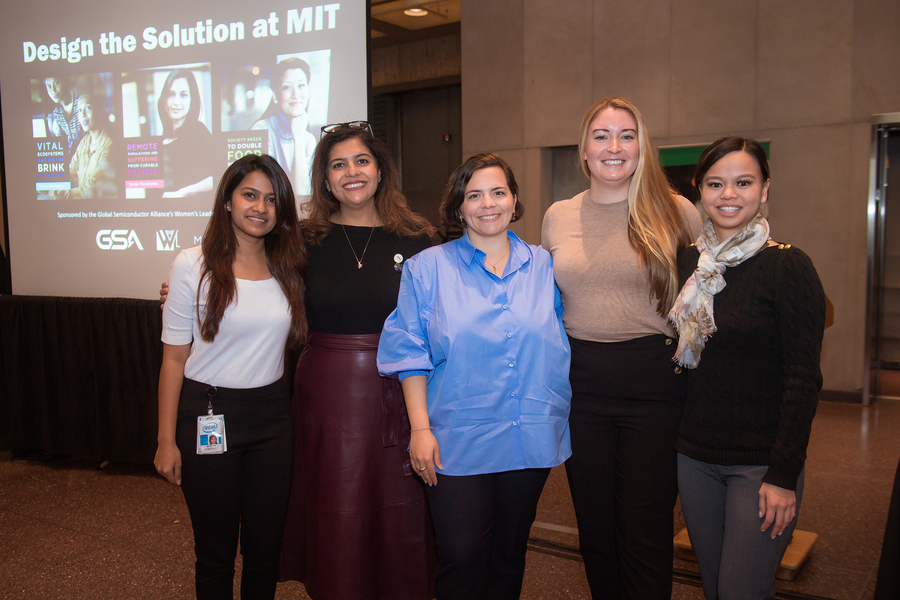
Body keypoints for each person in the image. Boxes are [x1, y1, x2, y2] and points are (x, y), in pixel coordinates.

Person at [378, 153, 572, 600]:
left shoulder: (544, 266)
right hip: (455, 440)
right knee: (462, 558)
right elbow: (408, 350)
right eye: (475, 194)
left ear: (515, 199)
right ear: (459, 206)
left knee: (509, 556)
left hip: (530, 435)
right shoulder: (427, 269)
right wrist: (419, 429)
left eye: (498, 192)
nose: (488, 203)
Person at [541, 96, 702, 600]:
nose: (614, 147)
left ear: (641, 147)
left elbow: (708, 294)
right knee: (595, 527)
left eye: (626, 136)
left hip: (655, 386)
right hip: (581, 386)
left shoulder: (677, 212)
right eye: (602, 136)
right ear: (584, 151)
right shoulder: (557, 216)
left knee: (644, 529)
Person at [278, 122, 438, 600]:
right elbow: (248, 278)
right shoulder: (302, 240)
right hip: (327, 394)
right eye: (338, 164)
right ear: (325, 180)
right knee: (336, 506)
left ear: (381, 170)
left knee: (401, 507)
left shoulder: (417, 239)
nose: (352, 172)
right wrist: (188, 291)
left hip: (401, 389)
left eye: (361, 161)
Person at [670, 136, 826, 599]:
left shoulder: (787, 267)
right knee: (717, 588)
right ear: (700, 190)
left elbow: (803, 379)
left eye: (743, 182)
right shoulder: (690, 266)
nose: (729, 194)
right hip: (695, 459)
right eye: (716, 183)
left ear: (765, 188)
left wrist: (783, 474)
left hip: (759, 468)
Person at [154, 154, 307, 599]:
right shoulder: (191, 264)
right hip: (208, 414)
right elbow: (173, 359)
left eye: (272, 199)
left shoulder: (290, 267)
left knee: (264, 550)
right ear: (227, 200)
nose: (260, 206)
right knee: (216, 552)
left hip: (273, 421)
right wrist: (166, 440)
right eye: (249, 194)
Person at [251, 58, 317, 195]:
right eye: (287, 87)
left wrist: (298, 140)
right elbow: (264, 191)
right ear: (275, 96)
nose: (296, 95)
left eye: (301, 86)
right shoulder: (261, 130)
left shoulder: (308, 140)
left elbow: (303, 194)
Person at [157, 68, 214, 197]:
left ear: (191, 101)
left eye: (183, 95)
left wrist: (183, 193)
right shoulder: (161, 139)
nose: (176, 102)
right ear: (164, 99)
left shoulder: (199, 132)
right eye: (171, 94)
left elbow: (217, 176)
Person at [57, 93, 115, 199]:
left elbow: (92, 189)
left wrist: (62, 195)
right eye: (79, 110)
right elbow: (70, 172)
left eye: (88, 108)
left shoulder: (109, 145)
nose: (82, 114)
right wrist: (54, 187)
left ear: (99, 111)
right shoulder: (84, 142)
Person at [44, 76, 83, 153]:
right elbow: (60, 140)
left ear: (63, 83)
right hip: (73, 155)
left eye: (56, 83)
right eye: (49, 86)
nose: (53, 91)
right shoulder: (57, 111)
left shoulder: (80, 102)